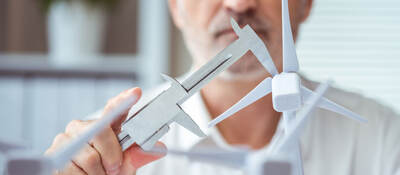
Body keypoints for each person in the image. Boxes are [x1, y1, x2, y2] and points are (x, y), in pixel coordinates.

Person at [46, 0, 400, 175]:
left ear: (306, 3)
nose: (239, 3)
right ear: (175, 7)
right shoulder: (98, 157)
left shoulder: (385, 139)